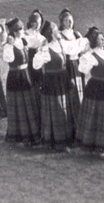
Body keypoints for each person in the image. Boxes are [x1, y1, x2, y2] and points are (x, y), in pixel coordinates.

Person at [74, 27, 104, 159]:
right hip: (97, 88)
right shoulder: (90, 55)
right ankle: (100, 148)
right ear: (95, 41)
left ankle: (101, 145)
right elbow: (83, 69)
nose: (103, 40)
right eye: (101, 39)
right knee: (98, 117)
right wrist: (85, 58)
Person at [33, 20, 77, 151]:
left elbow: (74, 47)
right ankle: (59, 142)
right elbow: (36, 65)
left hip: (63, 80)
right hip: (52, 82)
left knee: (66, 109)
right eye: (55, 29)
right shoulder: (46, 48)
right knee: (57, 111)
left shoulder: (60, 43)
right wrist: (41, 50)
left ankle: (68, 138)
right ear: (50, 33)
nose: (57, 30)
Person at [2, 17, 40, 146]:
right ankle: (20, 136)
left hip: (25, 75)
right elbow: (8, 58)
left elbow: (36, 41)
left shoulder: (23, 40)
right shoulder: (9, 44)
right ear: (12, 31)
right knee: (19, 107)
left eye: (22, 28)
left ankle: (30, 134)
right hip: (15, 76)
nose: (21, 31)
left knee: (28, 105)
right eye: (18, 29)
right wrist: (10, 44)